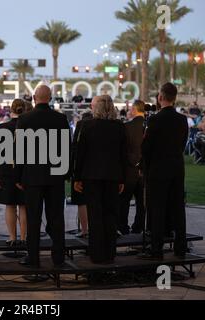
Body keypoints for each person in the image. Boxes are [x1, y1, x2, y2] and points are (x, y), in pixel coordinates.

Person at [15, 85, 71, 268]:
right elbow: (66, 149)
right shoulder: (61, 119)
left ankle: (33, 257)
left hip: (32, 177)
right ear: (51, 98)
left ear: (33, 97)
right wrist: (66, 173)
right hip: (55, 176)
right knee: (56, 217)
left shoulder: (24, 119)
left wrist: (18, 176)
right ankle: (58, 257)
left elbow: (19, 151)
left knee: (33, 218)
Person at [74, 95, 127, 264]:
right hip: (112, 176)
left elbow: (80, 153)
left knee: (95, 215)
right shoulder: (119, 127)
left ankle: (96, 254)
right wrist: (122, 178)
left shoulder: (88, 125)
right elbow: (123, 155)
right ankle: (109, 253)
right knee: (111, 215)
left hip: (91, 176)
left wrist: (77, 177)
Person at [140, 82, 188, 260]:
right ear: (174, 98)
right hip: (176, 167)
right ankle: (180, 248)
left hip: (158, 169)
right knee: (178, 208)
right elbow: (183, 143)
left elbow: (146, 147)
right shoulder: (182, 119)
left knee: (157, 209)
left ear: (160, 97)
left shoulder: (155, 120)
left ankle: (156, 249)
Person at [0, 99, 27, 246]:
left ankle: (12, 237)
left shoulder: (2, 128)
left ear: (11, 110)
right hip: (24, 170)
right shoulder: (29, 128)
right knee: (23, 205)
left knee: (10, 205)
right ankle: (24, 237)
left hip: (7, 170)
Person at [118, 100, 146, 235]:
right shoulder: (148, 126)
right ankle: (138, 227)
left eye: (130, 109)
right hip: (144, 170)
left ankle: (123, 227)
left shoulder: (126, 127)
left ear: (134, 109)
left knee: (124, 201)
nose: (128, 111)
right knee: (142, 203)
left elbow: (122, 150)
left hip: (129, 170)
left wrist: (132, 162)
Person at [70, 111, 93, 238]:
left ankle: (85, 230)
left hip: (81, 169)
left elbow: (75, 148)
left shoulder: (81, 125)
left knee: (81, 202)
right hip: (94, 168)